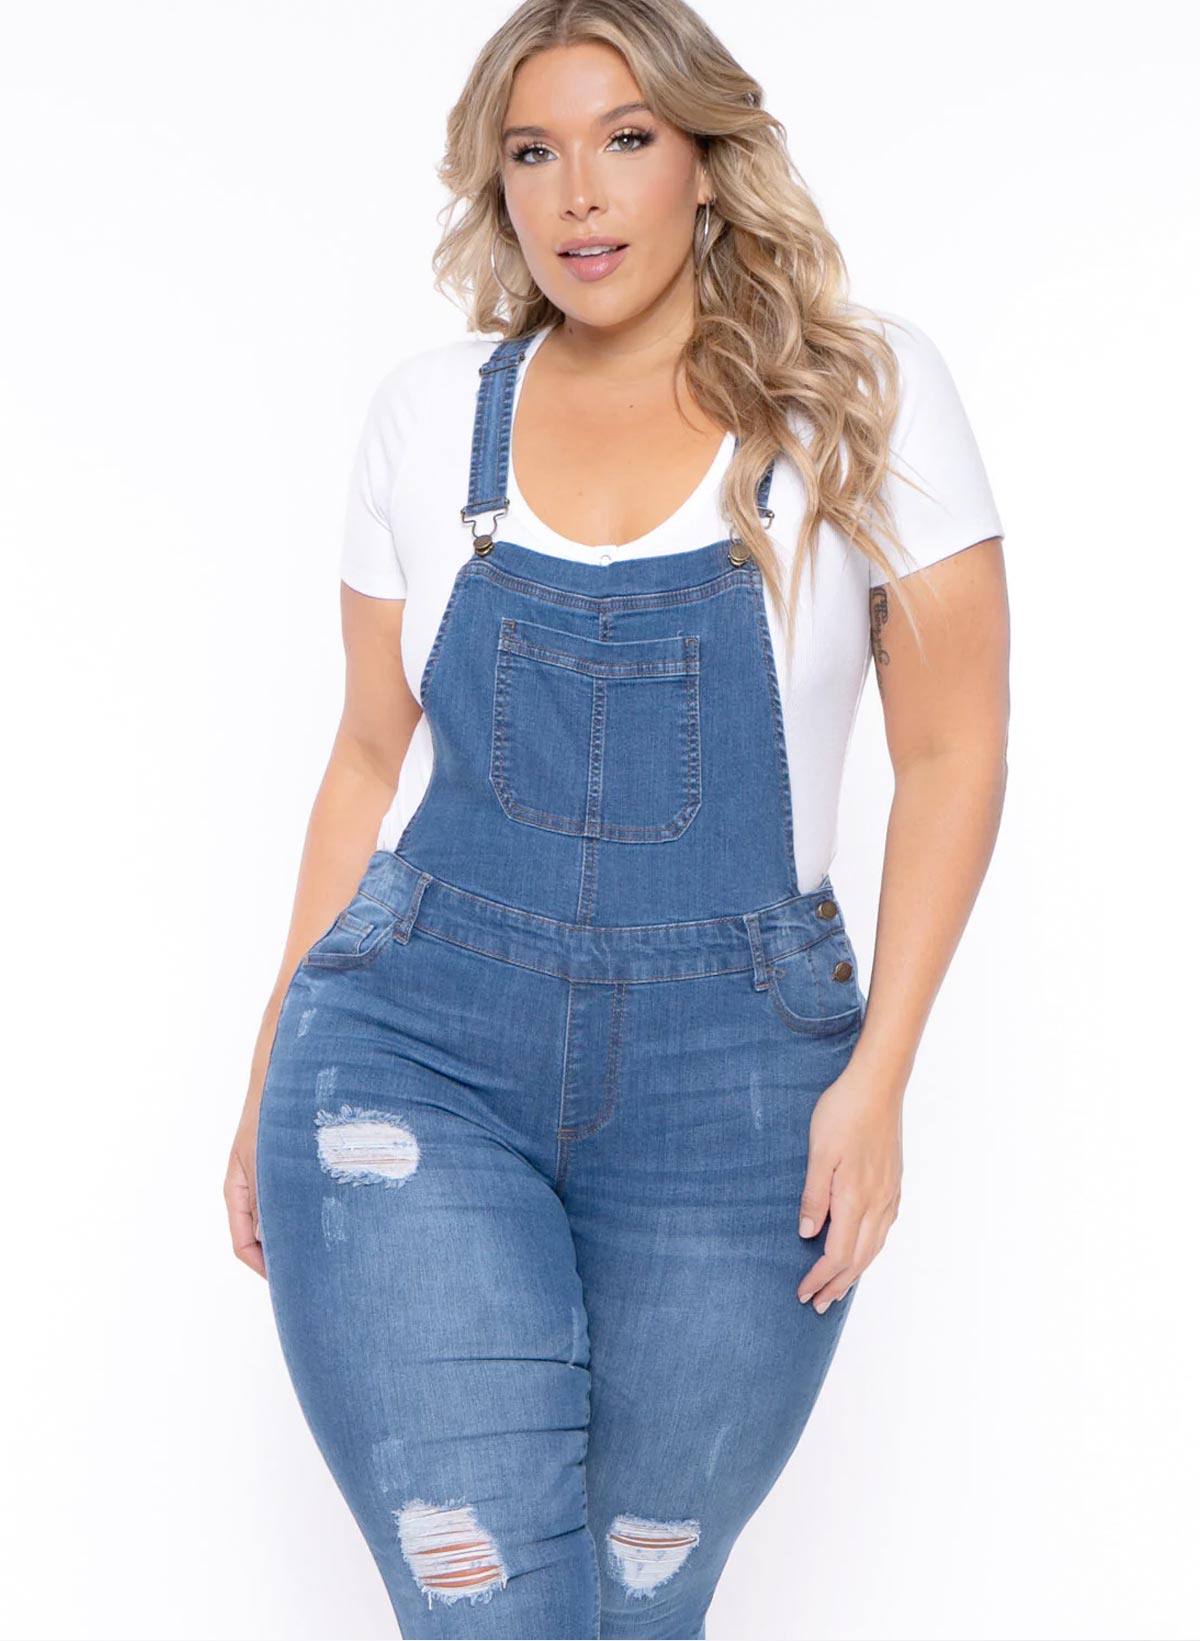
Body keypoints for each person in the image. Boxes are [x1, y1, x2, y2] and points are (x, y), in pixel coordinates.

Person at [225, 1, 1010, 1635]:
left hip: (741, 1090)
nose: (578, 194)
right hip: (414, 1058)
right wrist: (261, 1076)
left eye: (626, 140)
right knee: (491, 1607)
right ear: (496, 183)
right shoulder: (430, 414)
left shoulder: (858, 397)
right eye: (535, 152)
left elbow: (953, 749)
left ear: (708, 163)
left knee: (638, 1608)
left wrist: (881, 1077)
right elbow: (366, 756)